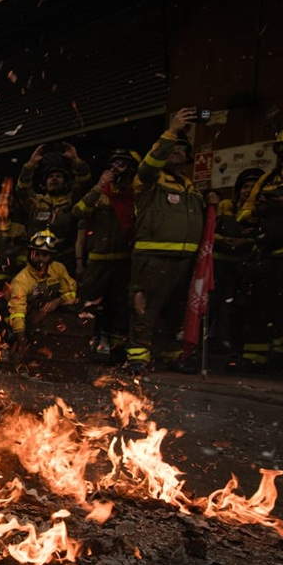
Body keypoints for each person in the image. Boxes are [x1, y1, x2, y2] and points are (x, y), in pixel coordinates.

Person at [123, 109, 206, 374]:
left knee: (174, 310)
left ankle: (171, 354)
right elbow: (150, 164)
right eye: (171, 148)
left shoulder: (190, 187)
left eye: (181, 149)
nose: (176, 152)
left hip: (184, 260)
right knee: (144, 307)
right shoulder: (149, 180)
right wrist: (172, 131)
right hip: (152, 256)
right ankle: (138, 356)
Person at [237, 120, 283, 379]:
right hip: (267, 253)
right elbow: (245, 213)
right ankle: (256, 357)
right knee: (260, 306)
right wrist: (256, 212)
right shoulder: (269, 178)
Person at [73, 148, 138, 357]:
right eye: (114, 164)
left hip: (124, 260)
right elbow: (78, 212)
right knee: (90, 304)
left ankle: (117, 348)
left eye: (122, 164)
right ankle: (85, 345)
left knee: (119, 306)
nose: (117, 169)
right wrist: (99, 186)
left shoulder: (135, 194)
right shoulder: (101, 194)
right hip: (98, 260)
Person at [212, 167, 264, 365]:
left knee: (241, 308)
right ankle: (217, 343)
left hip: (247, 266)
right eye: (245, 186)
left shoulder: (259, 209)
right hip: (221, 265)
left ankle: (237, 348)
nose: (248, 190)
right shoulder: (226, 206)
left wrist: (246, 242)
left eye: (253, 187)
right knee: (219, 305)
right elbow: (211, 230)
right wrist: (226, 240)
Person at [17, 142, 91, 270]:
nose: (54, 179)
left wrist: (76, 161)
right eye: (50, 177)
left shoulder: (71, 200)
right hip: (37, 259)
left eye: (59, 176)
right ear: (45, 183)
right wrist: (30, 165)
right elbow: (22, 189)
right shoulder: (37, 203)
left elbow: (85, 181)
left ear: (65, 182)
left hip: (65, 259)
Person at [7, 230, 78, 343]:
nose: (39, 258)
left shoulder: (58, 269)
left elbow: (71, 293)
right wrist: (21, 338)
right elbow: (18, 312)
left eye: (45, 255)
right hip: (31, 323)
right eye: (36, 254)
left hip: (55, 320)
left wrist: (58, 301)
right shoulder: (21, 280)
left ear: (52, 256)